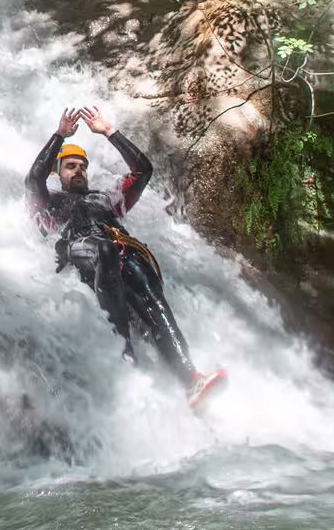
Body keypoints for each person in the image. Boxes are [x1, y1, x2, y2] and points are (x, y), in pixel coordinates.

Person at [26, 105, 226, 410]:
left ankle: (190, 379)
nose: (78, 170)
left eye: (82, 166)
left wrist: (110, 132)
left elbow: (143, 171)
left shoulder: (108, 198)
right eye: (70, 166)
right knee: (104, 250)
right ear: (59, 172)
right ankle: (126, 352)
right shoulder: (50, 204)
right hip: (82, 249)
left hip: (122, 251)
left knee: (151, 293)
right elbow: (32, 181)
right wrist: (59, 136)